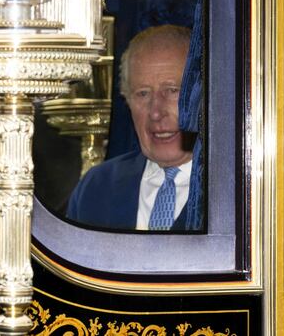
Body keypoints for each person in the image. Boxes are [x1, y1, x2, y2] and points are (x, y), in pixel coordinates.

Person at [67, 25, 196, 230]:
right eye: (143, 94)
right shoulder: (97, 188)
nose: (156, 112)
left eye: (172, 91)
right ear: (126, 100)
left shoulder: (239, 192)